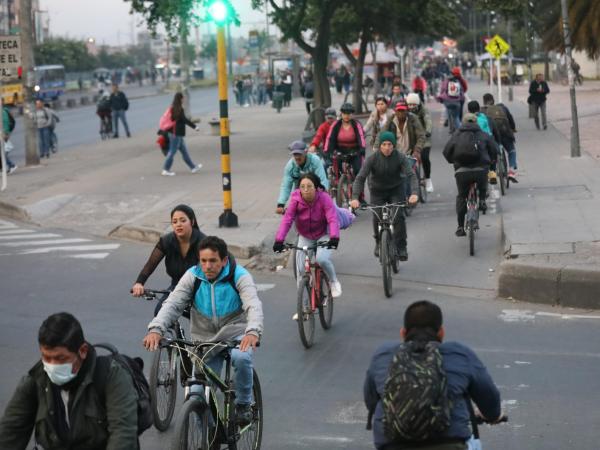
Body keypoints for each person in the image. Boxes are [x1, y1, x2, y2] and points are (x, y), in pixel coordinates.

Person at [143, 235, 264, 425]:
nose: (207, 266)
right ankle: (210, 437)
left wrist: (253, 331)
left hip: (235, 332)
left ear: (224, 260)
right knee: (197, 395)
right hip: (204, 339)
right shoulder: (193, 276)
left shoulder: (239, 275)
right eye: (204, 261)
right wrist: (156, 328)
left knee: (242, 358)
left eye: (213, 261)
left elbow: (253, 305)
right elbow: (173, 303)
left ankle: (243, 405)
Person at [364, 300, 503, 450]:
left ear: (403, 333)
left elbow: (371, 402)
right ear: (441, 333)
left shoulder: (383, 354)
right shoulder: (460, 353)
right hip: (450, 445)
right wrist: (493, 416)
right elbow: (489, 398)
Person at [0, 312, 139, 450]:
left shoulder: (111, 377)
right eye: (47, 358)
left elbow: (123, 432)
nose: (52, 365)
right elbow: (11, 431)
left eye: (61, 358)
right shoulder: (35, 380)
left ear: (82, 351)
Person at [351, 131, 418, 261]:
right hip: (377, 191)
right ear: (380, 145)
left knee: (398, 217)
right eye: (384, 144)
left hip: (396, 189)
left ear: (394, 146)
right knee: (377, 217)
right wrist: (354, 197)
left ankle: (401, 246)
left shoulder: (400, 157)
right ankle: (378, 243)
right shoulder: (372, 159)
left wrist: (414, 193)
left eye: (390, 144)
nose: (387, 147)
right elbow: (360, 178)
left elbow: (411, 175)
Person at [274, 172, 342, 299]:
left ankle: (333, 281)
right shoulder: (295, 200)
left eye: (309, 186)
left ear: (316, 187)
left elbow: (332, 218)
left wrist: (334, 237)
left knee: (321, 259)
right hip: (305, 236)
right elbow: (287, 220)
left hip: (323, 235)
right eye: (302, 186)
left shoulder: (324, 198)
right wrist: (279, 240)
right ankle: (304, 307)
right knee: (300, 270)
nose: (305, 190)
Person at [132, 204, 207, 314]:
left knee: (199, 320)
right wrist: (139, 283)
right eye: (175, 221)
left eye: (182, 220)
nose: (178, 224)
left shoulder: (204, 242)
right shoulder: (166, 241)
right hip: (176, 287)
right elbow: (150, 265)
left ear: (192, 222)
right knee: (160, 313)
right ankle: (175, 331)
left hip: (200, 289)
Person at [442, 113, 497, 237]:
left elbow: (446, 152)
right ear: (476, 122)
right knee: (483, 184)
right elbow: (494, 150)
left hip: (462, 171)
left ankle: (460, 227)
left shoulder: (456, 135)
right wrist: (491, 161)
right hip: (481, 170)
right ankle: (482, 200)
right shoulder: (483, 134)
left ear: (463, 122)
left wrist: (454, 161)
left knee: (462, 196)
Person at [376, 100, 426, 200]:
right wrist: (377, 147)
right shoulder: (390, 120)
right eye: (399, 111)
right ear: (395, 111)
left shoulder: (413, 119)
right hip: (394, 152)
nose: (401, 113)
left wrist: (417, 150)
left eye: (403, 111)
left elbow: (421, 136)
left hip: (410, 152)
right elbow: (381, 134)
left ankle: (408, 196)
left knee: (407, 175)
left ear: (407, 111)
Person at [276, 140, 329, 214]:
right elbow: (286, 186)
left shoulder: (315, 161)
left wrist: (324, 197)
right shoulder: (290, 166)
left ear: (306, 152)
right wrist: (281, 204)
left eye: (299, 154)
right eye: (295, 154)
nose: (297, 157)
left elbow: (322, 180)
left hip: (315, 191)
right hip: (299, 192)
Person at [161, 92, 203, 176]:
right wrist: (195, 127)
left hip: (175, 133)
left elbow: (177, 119)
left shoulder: (173, 108)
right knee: (172, 152)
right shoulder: (179, 109)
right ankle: (165, 169)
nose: (184, 99)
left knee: (184, 151)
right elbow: (185, 120)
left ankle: (193, 167)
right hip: (175, 134)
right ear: (180, 99)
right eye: (182, 98)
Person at [324, 102, 366, 181]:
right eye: (344, 113)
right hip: (340, 151)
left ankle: (359, 192)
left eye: (349, 114)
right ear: (341, 114)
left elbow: (361, 137)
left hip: (354, 151)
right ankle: (338, 188)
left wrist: (362, 148)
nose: (346, 116)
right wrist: (327, 151)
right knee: (337, 171)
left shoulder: (356, 124)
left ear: (352, 114)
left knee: (358, 172)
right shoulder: (336, 124)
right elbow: (329, 138)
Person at [482, 93, 518, 182]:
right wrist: (513, 128)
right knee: (511, 151)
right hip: (505, 133)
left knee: (490, 154)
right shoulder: (502, 108)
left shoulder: (483, 111)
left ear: (484, 101)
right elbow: (510, 118)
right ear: (493, 100)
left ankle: (492, 174)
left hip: (492, 136)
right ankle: (511, 171)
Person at [406, 93, 434, 192]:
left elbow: (428, 121)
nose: (411, 107)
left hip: (424, 138)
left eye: (414, 104)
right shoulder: (404, 111)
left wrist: (428, 131)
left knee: (425, 157)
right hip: (410, 138)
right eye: (409, 105)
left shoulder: (423, 110)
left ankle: (428, 179)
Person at [438, 69, 465, 133]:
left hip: (447, 102)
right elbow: (462, 91)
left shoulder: (445, 81)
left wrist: (441, 98)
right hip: (457, 102)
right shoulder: (458, 81)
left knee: (449, 113)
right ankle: (460, 130)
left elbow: (442, 91)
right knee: (456, 117)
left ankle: (451, 128)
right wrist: (461, 99)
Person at [1, 106, 17, 174]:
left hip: (3, 133)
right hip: (3, 133)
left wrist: (6, 133)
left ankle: (11, 165)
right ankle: (4, 168)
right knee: (2, 153)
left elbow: (5, 122)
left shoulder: (2, 112)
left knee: (2, 153)